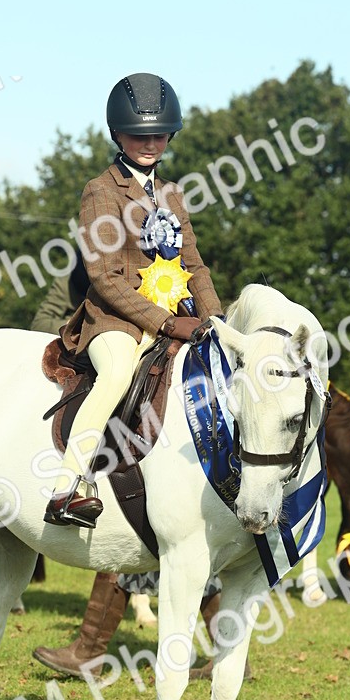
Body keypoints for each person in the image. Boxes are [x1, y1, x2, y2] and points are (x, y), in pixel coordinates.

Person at [44, 71, 223, 527]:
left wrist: (216, 318)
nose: (150, 143)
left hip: (176, 315)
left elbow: (194, 265)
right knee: (118, 373)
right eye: (139, 134)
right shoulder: (100, 190)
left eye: (159, 134)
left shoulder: (172, 195)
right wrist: (165, 322)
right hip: (115, 322)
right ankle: (68, 486)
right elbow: (102, 276)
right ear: (117, 134)